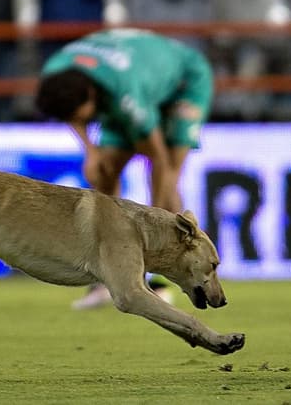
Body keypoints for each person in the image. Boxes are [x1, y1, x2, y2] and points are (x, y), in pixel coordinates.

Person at [34, 27, 214, 307]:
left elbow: (159, 158)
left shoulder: (126, 96)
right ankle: (107, 277)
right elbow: (72, 113)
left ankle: (161, 279)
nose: (74, 121)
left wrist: (159, 220)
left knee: (166, 181)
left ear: (91, 96)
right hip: (133, 77)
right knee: (103, 175)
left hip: (183, 81)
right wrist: (90, 152)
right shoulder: (58, 73)